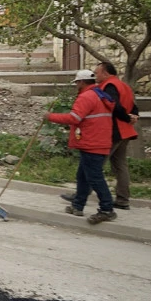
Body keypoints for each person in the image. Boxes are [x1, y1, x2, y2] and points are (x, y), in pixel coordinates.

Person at [46, 69, 117, 224]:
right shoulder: (100, 95)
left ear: (82, 82)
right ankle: (77, 206)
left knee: (95, 178)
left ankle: (107, 209)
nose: (76, 85)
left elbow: (74, 118)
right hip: (98, 141)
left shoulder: (86, 96)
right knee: (83, 176)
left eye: (77, 82)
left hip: (92, 142)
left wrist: (50, 117)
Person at [94, 61, 138, 210]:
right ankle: (123, 199)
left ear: (105, 73)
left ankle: (81, 195)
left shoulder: (109, 86)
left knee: (95, 164)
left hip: (115, 130)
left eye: (97, 73)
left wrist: (126, 117)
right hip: (126, 131)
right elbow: (134, 106)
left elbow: (114, 105)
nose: (95, 75)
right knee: (120, 165)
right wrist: (133, 117)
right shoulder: (124, 85)